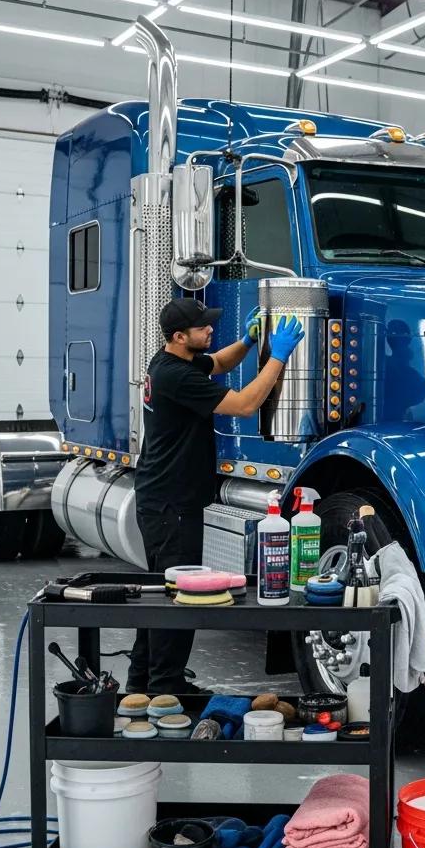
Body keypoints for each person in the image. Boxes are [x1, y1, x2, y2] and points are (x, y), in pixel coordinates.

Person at [126, 297, 304, 694]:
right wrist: (278, 357)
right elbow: (244, 405)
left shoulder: (173, 362)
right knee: (180, 595)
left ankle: (140, 684)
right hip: (172, 503)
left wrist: (247, 342)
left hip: (163, 498)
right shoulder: (176, 375)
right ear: (179, 336)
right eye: (202, 327)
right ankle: (166, 687)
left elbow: (219, 363)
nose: (210, 329)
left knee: (161, 594)